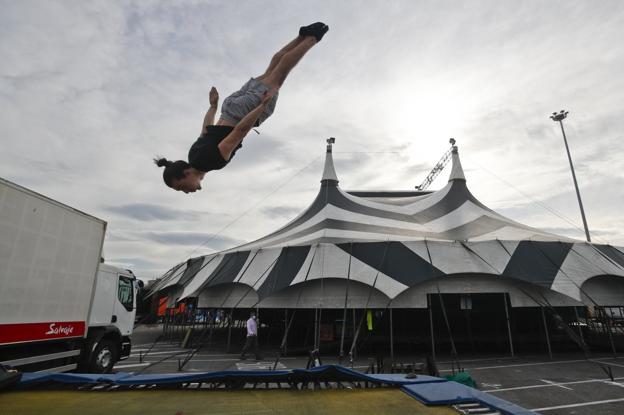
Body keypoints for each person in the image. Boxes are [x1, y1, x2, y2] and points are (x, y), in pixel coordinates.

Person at [154, 22, 329, 194]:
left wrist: (261, 106)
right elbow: (205, 129)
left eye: (180, 187)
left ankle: (312, 38)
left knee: (280, 73)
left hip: (243, 113)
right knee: (271, 69)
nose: (185, 192)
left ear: (185, 174)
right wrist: (213, 106)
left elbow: (240, 131)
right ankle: (301, 36)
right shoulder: (192, 154)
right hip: (228, 106)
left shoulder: (210, 163)